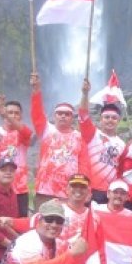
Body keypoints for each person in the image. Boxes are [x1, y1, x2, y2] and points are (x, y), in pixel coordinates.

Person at [30, 73, 86, 205]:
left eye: (67, 114)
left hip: (69, 192)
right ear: (54, 116)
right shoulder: (46, 130)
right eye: (59, 113)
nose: (63, 116)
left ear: (72, 118)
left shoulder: (79, 137)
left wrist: (85, 188)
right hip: (45, 190)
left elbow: (83, 165)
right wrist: (36, 90)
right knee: (43, 222)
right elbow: (36, 113)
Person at [0, 95, 33, 216]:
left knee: (18, 226)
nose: (13, 115)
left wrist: (7, 116)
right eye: (10, 112)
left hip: (18, 188)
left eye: (16, 113)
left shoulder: (21, 133)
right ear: (2, 114)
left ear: (21, 116)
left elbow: (28, 133)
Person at [79, 79, 126, 204]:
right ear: (101, 119)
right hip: (89, 188)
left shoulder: (122, 144)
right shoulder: (92, 134)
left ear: (118, 121)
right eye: (107, 117)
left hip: (109, 193)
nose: (110, 120)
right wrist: (85, 94)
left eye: (114, 118)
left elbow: (120, 170)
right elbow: (83, 116)